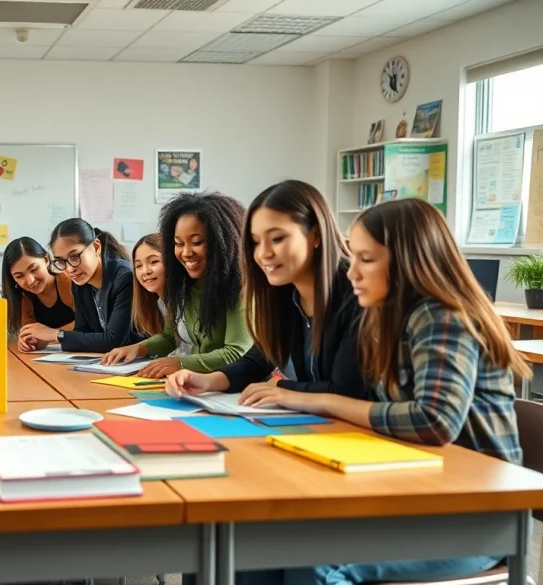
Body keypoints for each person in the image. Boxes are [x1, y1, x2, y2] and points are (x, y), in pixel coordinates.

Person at [174, 198, 529, 585]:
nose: (352, 271)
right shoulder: (385, 316)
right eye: (353, 257)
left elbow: (434, 420)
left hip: (472, 517)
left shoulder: (442, 315)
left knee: (309, 564)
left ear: (411, 261)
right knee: (243, 547)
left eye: (366, 259)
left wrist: (317, 399)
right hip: (408, 492)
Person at [164, 180, 371, 402]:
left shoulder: (357, 291)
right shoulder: (283, 291)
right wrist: (207, 381)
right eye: (255, 242)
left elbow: (347, 390)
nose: (264, 254)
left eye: (277, 239)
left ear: (316, 235)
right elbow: (258, 360)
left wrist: (283, 387)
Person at [102, 194, 251, 379]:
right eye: (178, 244)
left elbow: (236, 353)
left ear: (223, 242)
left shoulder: (239, 289)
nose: (186, 252)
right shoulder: (184, 285)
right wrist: (138, 349)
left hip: (232, 387)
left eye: (197, 242)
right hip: (197, 384)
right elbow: (169, 337)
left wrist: (180, 363)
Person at [19, 218, 143, 353]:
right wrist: (46, 339)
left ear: (96, 247)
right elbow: (82, 331)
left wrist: (55, 334)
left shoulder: (124, 277)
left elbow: (114, 340)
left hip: (144, 362)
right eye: (61, 262)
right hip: (108, 362)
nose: (70, 269)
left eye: (74, 257)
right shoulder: (80, 284)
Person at [1, 237, 75, 352]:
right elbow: (30, 334)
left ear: (46, 260)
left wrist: (50, 336)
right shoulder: (22, 298)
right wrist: (28, 341)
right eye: (19, 276)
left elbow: (88, 325)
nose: (30, 280)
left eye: (34, 269)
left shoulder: (70, 283)